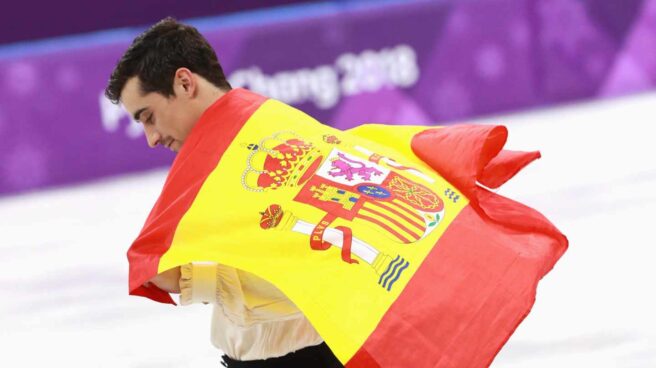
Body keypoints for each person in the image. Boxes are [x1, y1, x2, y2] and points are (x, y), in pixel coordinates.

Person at [105, 17, 343, 368]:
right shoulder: (255, 131)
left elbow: (311, 268)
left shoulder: (262, 147)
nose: (151, 138)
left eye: (149, 116)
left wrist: (194, 279)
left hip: (310, 355)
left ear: (185, 83)